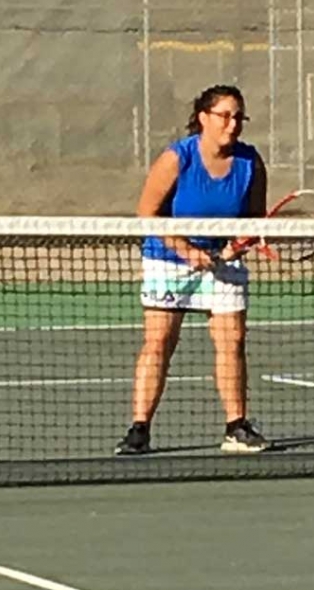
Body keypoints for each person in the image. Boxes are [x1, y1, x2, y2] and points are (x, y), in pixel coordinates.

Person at [115, 85, 268, 456]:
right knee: (159, 343)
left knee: (232, 342)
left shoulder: (250, 163)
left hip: (222, 262)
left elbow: (254, 219)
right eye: (225, 116)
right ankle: (139, 430)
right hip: (167, 259)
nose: (232, 125)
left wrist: (238, 245)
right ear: (203, 118)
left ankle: (236, 427)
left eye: (238, 117)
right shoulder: (177, 158)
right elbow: (147, 214)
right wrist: (186, 251)